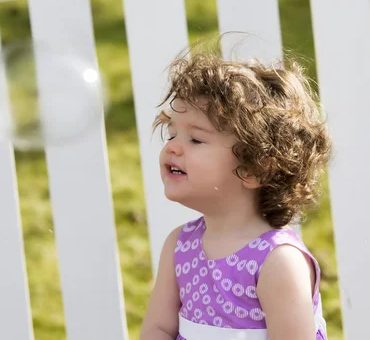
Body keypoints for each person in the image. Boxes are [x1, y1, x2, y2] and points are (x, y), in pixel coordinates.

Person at [140, 48, 332, 340]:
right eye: (171, 134)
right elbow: (158, 328)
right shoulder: (180, 246)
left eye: (195, 139)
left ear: (254, 168)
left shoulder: (277, 260)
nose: (173, 147)